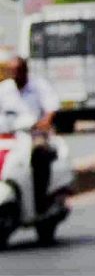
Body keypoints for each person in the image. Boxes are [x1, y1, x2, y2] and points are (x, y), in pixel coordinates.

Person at [4, 57, 59, 214]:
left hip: (34, 134)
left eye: (18, 72)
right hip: (10, 135)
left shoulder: (39, 86)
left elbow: (51, 109)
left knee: (39, 154)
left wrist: (43, 123)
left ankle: (40, 199)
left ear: (25, 71)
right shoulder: (4, 89)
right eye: (11, 72)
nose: (14, 75)